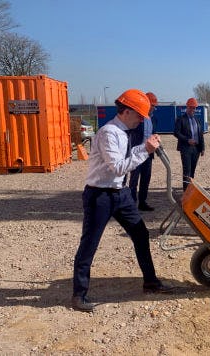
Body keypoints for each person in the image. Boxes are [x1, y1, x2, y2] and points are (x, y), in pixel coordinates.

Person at [72, 89, 174, 313]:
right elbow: (117, 167)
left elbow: (126, 158)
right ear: (126, 112)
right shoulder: (109, 132)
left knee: (141, 234)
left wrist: (144, 146)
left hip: (121, 194)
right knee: (89, 244)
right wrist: (146, 151)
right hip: (100, 196)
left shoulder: (123, 131)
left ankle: (150, 282)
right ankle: (79, 295)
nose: (141, 120)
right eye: (139, 115)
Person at [129, 92, 158, 211]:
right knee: (134, 179)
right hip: (136, 153)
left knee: (146, 179)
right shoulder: (137, 117)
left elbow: (152, 134)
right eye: (152, 105)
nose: (154, 108)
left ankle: (142, 202)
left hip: (148, 154)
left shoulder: (153, 119)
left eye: (155, 106)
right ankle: (132, 204)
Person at [174, 97, 205, 191]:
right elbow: (176, 132)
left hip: (196, 149)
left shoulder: (197, 120)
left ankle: (190, 191)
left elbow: (201, 135)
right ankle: (186, 193)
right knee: (187, 171)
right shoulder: (180, 119)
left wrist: (203, 148)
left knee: (192, 171)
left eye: (194, 108)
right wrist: (187, 140)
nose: (193, 109)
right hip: (186, 148)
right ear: (187, 107)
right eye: (191, 107)